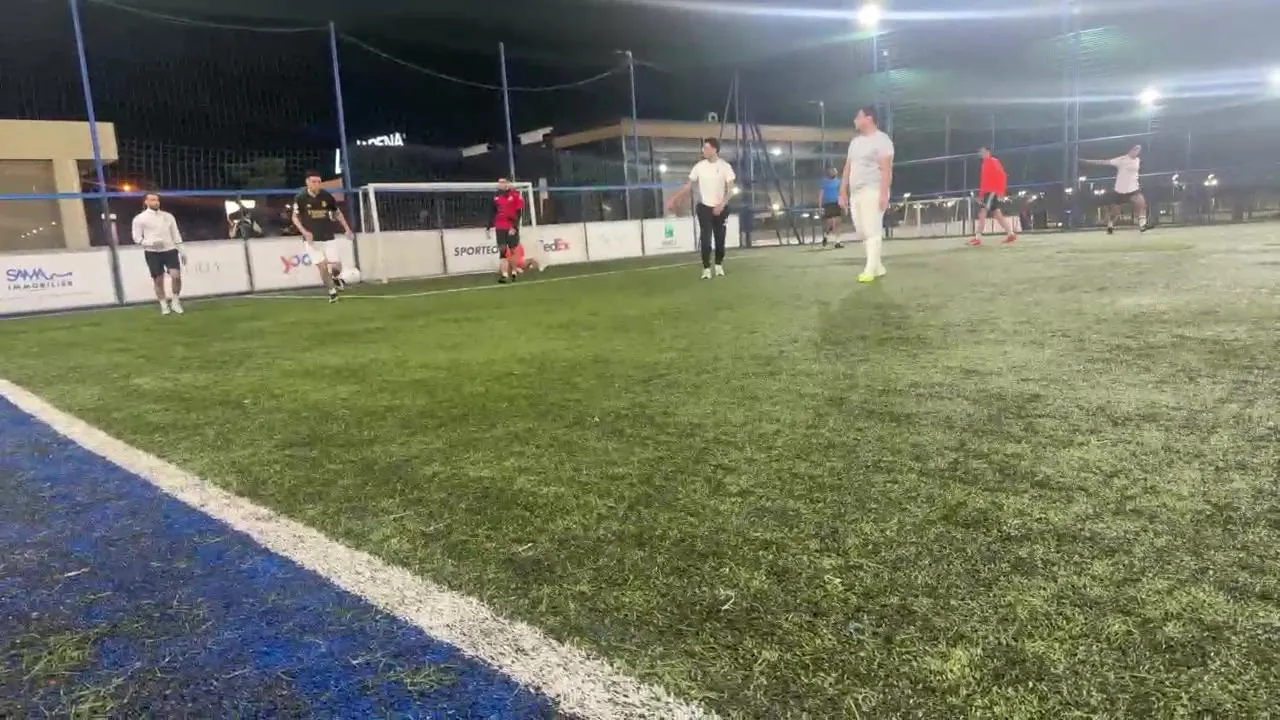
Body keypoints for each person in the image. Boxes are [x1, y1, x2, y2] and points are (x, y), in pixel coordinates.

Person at [665, 137, 737, 280]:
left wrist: (721, 205)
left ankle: (718, 265)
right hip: (704, 207)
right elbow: (688, 186)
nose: (703, 150)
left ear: (714, 150)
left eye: (706, 148)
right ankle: (706, 268)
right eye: (703, 148)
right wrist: (674, 198)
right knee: (705, 238)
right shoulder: (699, 166)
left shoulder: (725, 167)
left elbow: (731, 190)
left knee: (720, 238)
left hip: (721, 208)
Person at [838, 107, 894, 283]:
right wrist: (842, 190)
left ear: (869, 118)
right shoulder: (855, 142)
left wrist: (883, 194)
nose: (855, 120)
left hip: (873, 189)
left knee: (872, 230)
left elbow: (886, 169)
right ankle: (878, 266)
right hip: (856, 193)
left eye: (858, 117)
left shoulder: (882, 140)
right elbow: (848, 167)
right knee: (862, 232)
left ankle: (870, 269)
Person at [292, 171, 354, 303]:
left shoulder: (326, 196)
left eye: (319, 182)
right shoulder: (300, 197)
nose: (316, 184)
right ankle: (332, 293)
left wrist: (347, 229)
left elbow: (337, 213)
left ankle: (335, 278)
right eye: (313, 182)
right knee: (322, 266)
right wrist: (304, 232)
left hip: (328, 236)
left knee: (337, 266)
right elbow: (295, 217)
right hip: (312, 240)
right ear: (307, 182)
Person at [131, 192, 186, 315]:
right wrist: (150, 243)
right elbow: (136, 238)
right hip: (152, 252)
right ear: (146, 202)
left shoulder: (168, 216)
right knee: (158, 280)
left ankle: (175, 301)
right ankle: (163, 304)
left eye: (157, 200)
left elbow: (176, 234)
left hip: (170, 250)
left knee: (176, 276)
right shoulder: (140, 218)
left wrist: (182, 250)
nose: (156, 202)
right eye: (152, 200)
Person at [1081, 145, 1149, 234]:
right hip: (1120, 190)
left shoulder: (1138, 160)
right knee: (1115, 212)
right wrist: (1087, 161)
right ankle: (1110, 225)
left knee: (1141, 203)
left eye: (1139, 150)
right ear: (1130, 150)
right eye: (1135, 149)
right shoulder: (1121, 160)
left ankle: (1142, 225)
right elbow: (1104, 162)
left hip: (1133, 189)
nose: (1137, 151)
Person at [969, 146, 1017, 246]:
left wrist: (1000, 191)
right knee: (997, 214)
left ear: (988, 152)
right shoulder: (985, 164)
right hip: (989, 192)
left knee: (982, 212)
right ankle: (1010, 234)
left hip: (991, 191)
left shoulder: (993, 162)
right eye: (980, 152)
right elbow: (984, 181)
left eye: (982, 152)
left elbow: (1002, 176)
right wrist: (981, 194)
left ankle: (977, 238)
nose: (981, 154)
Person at [486, 178, 525, 283]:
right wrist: (488, 227)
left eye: (503, 182)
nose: (500, 184)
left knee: (512, 250)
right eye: (499, 182)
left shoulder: (515, 195)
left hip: (511, 226)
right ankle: (504, 275)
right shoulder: (495, 196)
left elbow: (519, 212)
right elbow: (492, 212)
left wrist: (514, 227)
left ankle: (514, 272)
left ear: (507, 184)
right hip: (500, 227)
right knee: (502, 250)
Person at [817, 166, 845, 248]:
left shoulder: (838, 182)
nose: (834, 173)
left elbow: (840, 194)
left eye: (835, 171)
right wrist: (820, 206)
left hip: (836, 203)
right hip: (828, 204)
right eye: (832, 171)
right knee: (830, 224)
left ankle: (837, 242)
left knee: (838, 222)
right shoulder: (824, 182)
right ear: (829, 173)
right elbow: (821, 194)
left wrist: (842, 204)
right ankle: (826, 236)